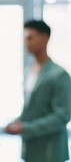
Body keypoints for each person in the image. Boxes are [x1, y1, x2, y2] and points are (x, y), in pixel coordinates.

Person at [4, 20, 71, 162]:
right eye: (24, 38)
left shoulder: (59, 75)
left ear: (44, 38)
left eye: (30, 38)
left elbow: (62, 116)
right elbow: (32, 107)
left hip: (50, 150)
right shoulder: (29, 70)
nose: (25, 43)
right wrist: (18, 122)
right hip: (31, 149)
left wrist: (26, 128)